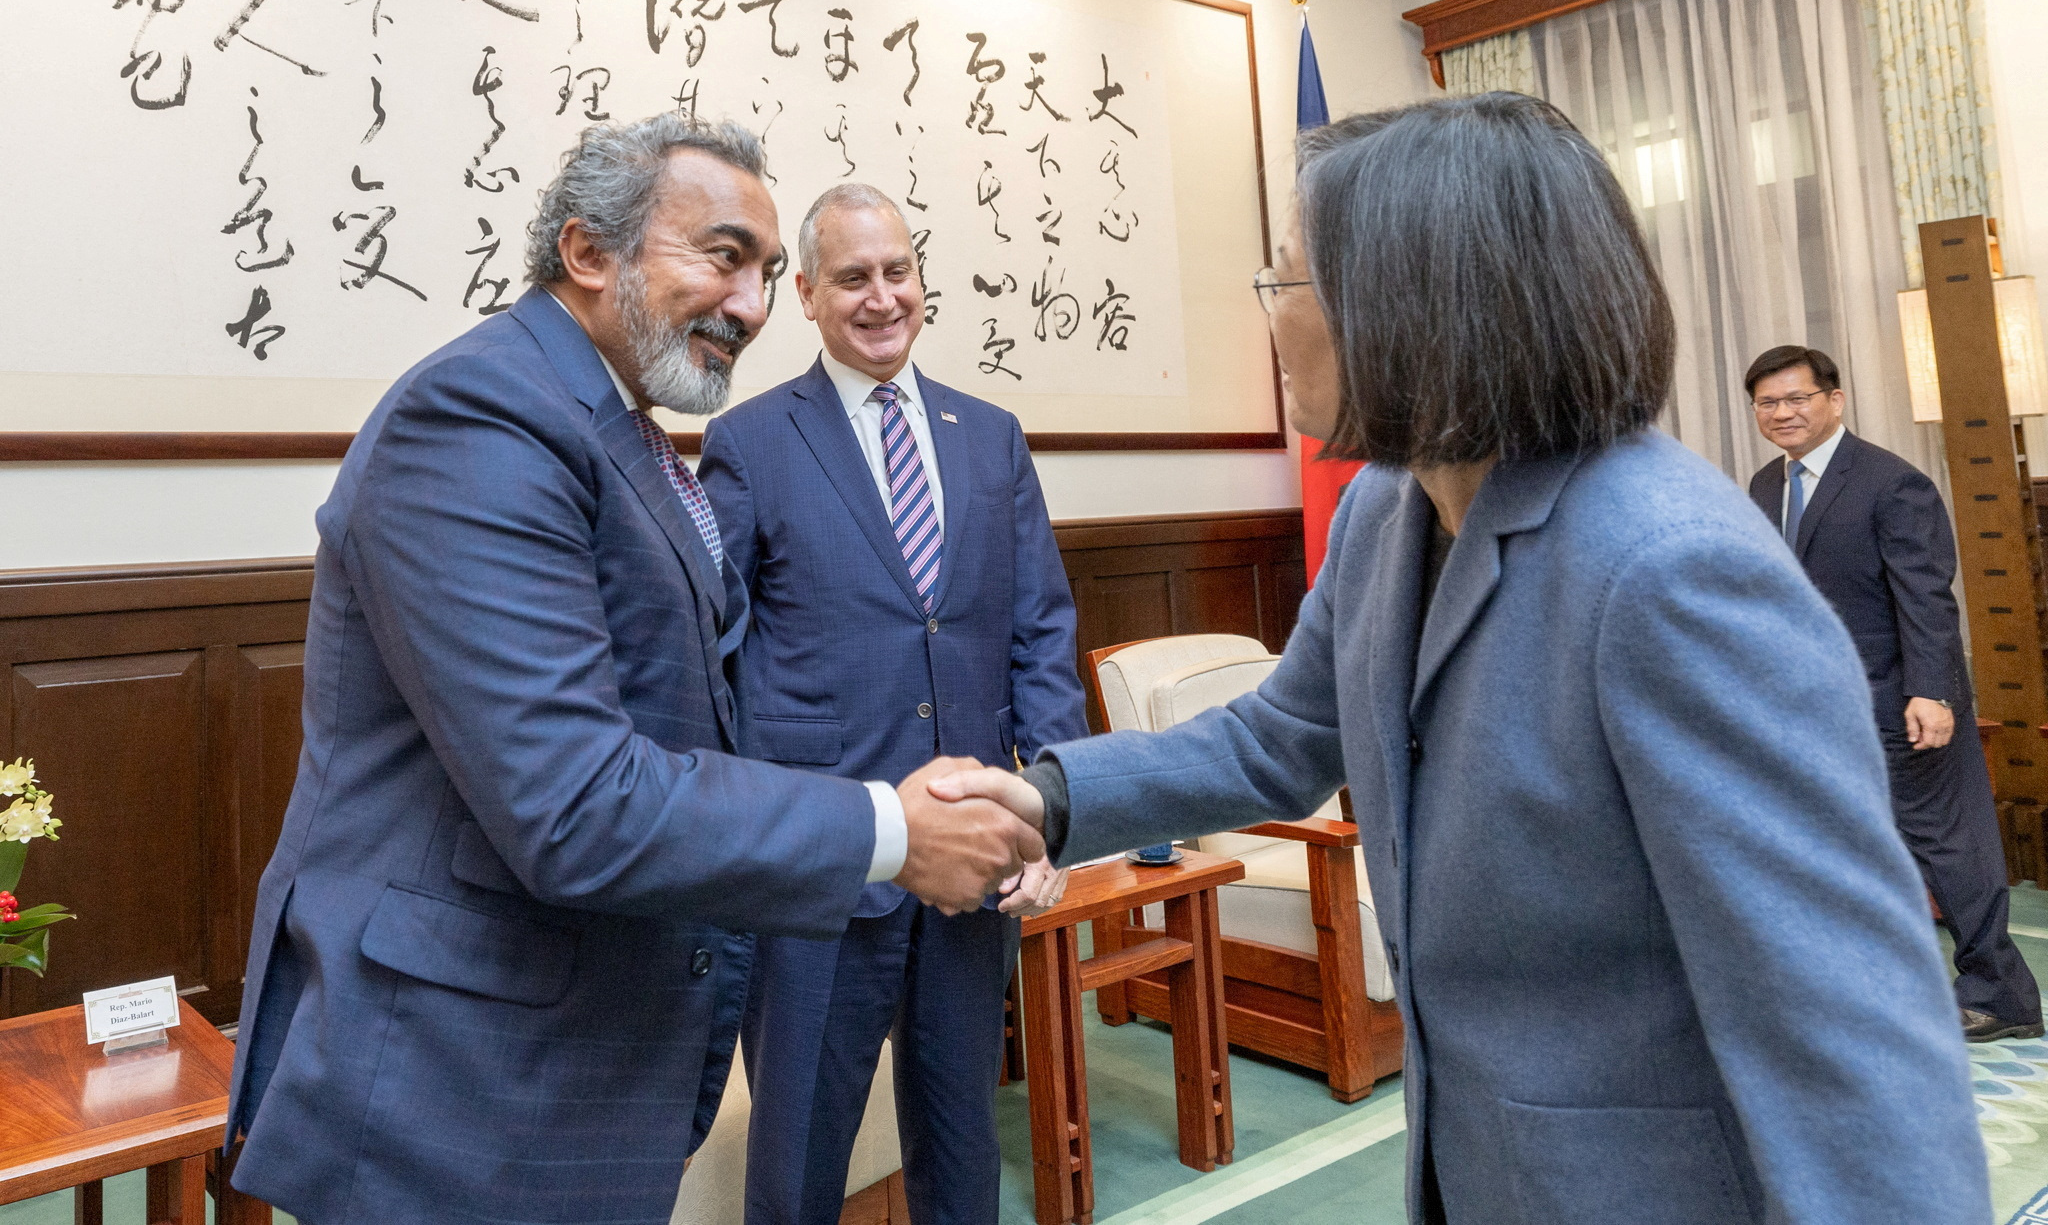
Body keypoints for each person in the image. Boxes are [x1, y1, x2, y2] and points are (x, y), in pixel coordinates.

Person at [933, 93, 1988, 1223]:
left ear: (1412, 302)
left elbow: (1849, 1026)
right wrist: (1046, 799)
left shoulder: (1672, 568)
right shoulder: (1386, 511)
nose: (1271, 320)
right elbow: (1283, 736)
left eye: (1285, 281)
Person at [223, 116, 1044, 1225]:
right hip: (459, 1079)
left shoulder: (623, 427)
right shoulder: (479, 416)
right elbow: (572, 800)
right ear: (588, 252)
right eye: (722, 257)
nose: (750, 306)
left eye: (763, 272)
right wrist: (889, 831)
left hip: (581, 1036)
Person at [697, 183, 1088, 1225]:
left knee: (962, 1142)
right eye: (852, 278)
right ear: (807, 296)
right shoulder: (750, 442)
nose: (881, 298)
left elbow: (1040, 631)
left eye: (897, 271)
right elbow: (711, 656)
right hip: (826, 861)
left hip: (972, 857)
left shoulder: (990, 436)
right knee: (799, 1158)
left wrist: (1053, 811)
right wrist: (742, 829)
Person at [1746, 344, 2043, 1043]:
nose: (1783, 413)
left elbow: (1927, 597)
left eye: (1797, 398)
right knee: (1843, 849)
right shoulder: (1765, 485)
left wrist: (1932, 691)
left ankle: (2002, 996)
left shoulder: (1891, 482)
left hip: (1900, 699)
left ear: (1835, 400)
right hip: (1818, 708)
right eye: (1768, 403)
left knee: (1947, 847)